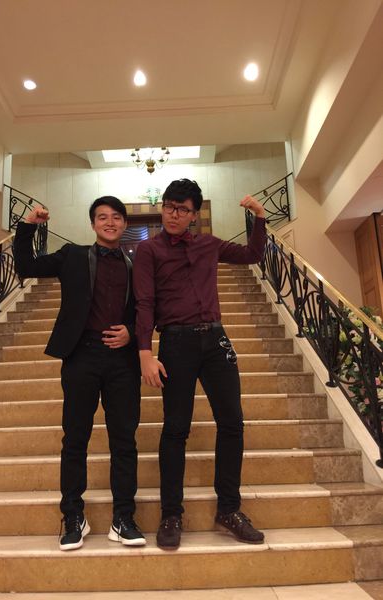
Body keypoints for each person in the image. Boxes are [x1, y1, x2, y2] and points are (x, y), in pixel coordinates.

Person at [133, 178, 266, 550]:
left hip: (216, 340)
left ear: (194, 214)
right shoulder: (148, 250)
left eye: (183, 209)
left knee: (232, 423)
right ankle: (171, 514)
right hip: (176, 343)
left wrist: (259, 217)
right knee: (176, 429)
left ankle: (229, 509)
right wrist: (145, 352)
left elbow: (252, 254)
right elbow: (144, 302)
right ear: (162, 208)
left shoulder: (209, 244)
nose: (174, 214)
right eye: (169, 206)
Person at [13, 196, 145, 550]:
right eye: (102, 217)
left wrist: (132, 332)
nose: (110, 222)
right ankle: (73, 515)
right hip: (81, 356)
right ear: (93, 224)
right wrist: (28, 227)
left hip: (123, 361)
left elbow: (152, 308)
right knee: (75, 439)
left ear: (124, 224)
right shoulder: (72, 255)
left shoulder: (137, 265)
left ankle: (123, 517)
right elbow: (25, 265)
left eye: (116, 217)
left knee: (124, 440)